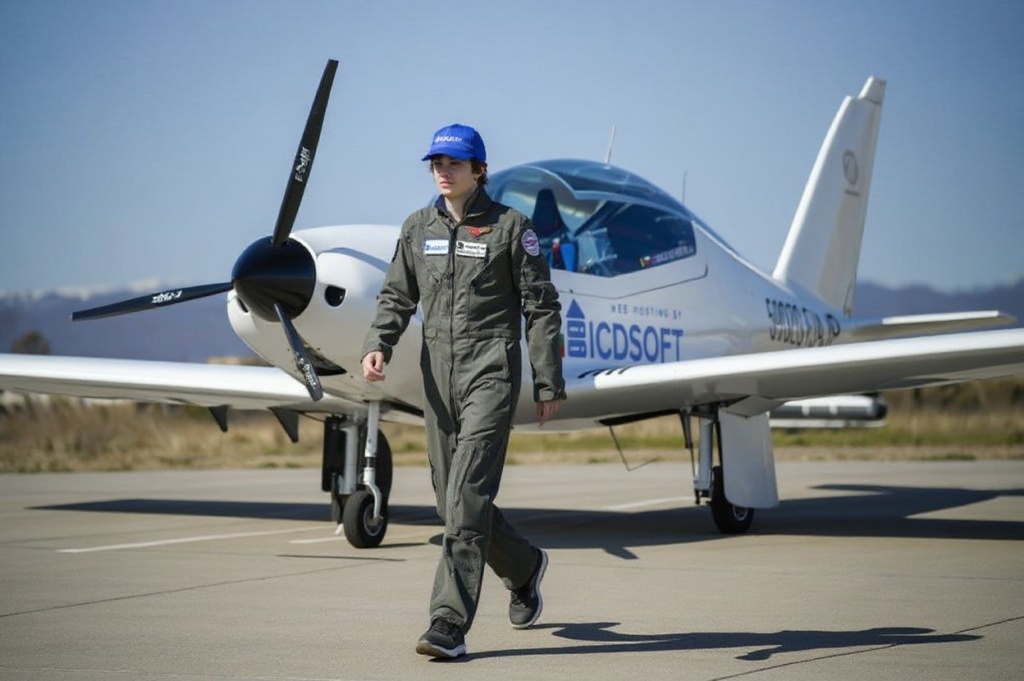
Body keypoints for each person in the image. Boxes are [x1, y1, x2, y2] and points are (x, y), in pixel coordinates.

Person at [361, 123, 566, 659]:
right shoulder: (417, 227)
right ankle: (524, 567)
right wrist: (378, 343)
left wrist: (548, 379)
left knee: (468, 495)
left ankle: (448, 623)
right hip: (437, 377)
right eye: (437, 163)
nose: (443, 171)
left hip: (490, 372)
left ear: (479, 170)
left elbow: (541, 306)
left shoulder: (510, 228)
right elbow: (396, 295)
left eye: (454, 163)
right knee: (449, 500)